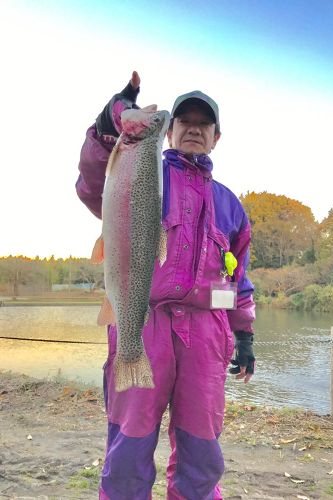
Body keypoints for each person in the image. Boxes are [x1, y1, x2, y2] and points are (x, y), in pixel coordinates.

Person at [76, 71, 256, 500]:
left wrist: (245, 332)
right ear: (171, 132)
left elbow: (239, 277)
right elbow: (92, 183)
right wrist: (106, 128)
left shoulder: (231, 205)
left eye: (204, 124)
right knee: (129, 446)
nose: (194, 128)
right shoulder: (144, 172)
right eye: (185, 121)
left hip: (208, 336)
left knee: (202, 449)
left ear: (216, 137)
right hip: (143, 319)